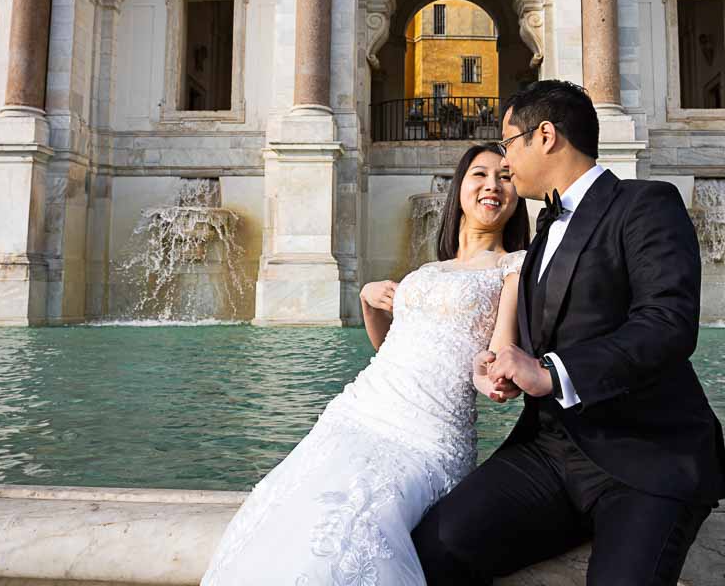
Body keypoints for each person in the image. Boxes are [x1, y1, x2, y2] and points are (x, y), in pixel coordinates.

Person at [412, 79, 725, 585]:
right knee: (434, 547)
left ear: (544, 136)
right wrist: (503, 364)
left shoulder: (646, 202)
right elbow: (545, 334)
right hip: (547, 452)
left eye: (508, 145)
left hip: (646, 457)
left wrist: (550, 372)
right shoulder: (542, 230)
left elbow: (667, 325)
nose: (505, 161)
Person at [201, 143, 530, 585]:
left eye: (505, 177)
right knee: (282, 514)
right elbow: (390, 350)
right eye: (480, 174)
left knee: (344, 532)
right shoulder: (429, 271)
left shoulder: (513, 267)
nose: (492, 185)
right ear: (460, 188)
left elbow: (498, 356)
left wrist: (495, 379)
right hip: (356, 413)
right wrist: (368, 304)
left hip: (426, 435)